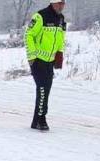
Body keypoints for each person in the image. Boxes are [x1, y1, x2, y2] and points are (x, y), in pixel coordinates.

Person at [26, 1, 66, 131]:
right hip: (38, 60)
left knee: (46, 90)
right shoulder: (40, 16)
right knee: (43, 89)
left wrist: (59, 53)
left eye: (63, 3)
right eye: (60, 3)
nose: (62, 6)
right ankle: (41, 119)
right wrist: (32, 57)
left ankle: (36, 121)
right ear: (53, 3)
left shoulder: (61, 19)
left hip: (50, 61)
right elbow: (28, 35)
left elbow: (61, 38)